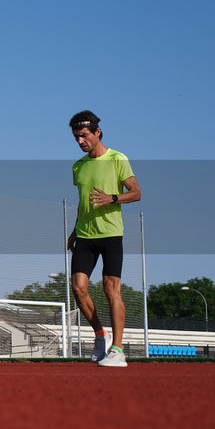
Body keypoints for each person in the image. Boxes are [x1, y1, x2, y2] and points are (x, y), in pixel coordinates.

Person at [67, 111, 141, 368]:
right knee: (78, 288)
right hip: (85, 235)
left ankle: (118, 350)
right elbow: (82, 202)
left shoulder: (118, 159)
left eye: (84, 136)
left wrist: (112, 198)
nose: (80, 141)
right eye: (76, 137)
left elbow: (136, 193)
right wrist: (75, 230)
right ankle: (100, 335)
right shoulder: (78, 166)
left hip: (111, 233)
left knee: (111, 290)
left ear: (97, 132)